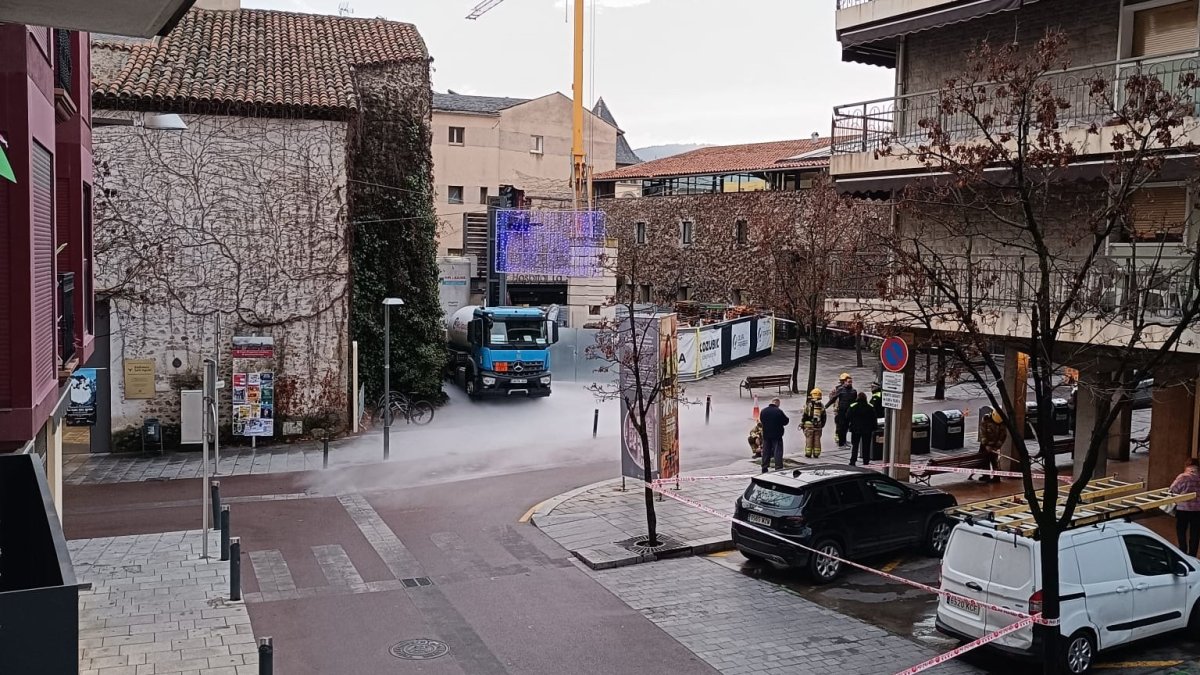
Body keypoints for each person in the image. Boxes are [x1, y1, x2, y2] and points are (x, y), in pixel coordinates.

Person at [1170, 459, 1200, 556]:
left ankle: (1183, 551)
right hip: (1197, 510)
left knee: (1181, 530)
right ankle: (1192, 554)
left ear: (1186, 466)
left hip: (1183, 509)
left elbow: (1173, 490)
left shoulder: (1182, 477)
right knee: (1195, 533)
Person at [758, 398, 789, 473]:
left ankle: (764, 467)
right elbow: (785, 421)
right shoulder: (778, 411)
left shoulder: (763, 411)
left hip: (766, 435)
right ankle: (778, 467)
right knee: (777, 452)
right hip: (777, 435)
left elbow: (761, 420)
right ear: (777, 403)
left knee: (766, 451)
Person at [826, 373, 857, 448]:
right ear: (844, 382)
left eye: (851, 382)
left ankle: (844, 441)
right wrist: (826, 406)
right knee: (841, 427)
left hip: (849, 411)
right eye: (848, 382)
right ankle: (841, 443)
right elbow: (833, 399)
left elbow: (855, 402)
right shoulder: (840, 389)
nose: (850, 383)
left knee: (846, 427)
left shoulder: (854, 391)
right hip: (841, 411)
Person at [976, 409, 1007, 483]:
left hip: (995, 445)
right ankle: (986, 475)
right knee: (984, 460)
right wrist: (986, 445)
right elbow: (983, 433)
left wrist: (997, 447)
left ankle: (996, 477)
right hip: (985, 445)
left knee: (994, 461)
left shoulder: (1002, 422)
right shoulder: (986, 419)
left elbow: (1003, 436)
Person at [848, 392, 876, 466]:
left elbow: (847, 416)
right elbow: (873, 418)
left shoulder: (853, 406)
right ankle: (866, 461)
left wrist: (850, 425)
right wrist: (874, 428)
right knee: (866, 445)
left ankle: (853, 461)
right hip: (867, 429)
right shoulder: (870, 406)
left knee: (855, 445)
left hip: (855, 429)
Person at [801, 389, 828, 459]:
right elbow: (824, 416)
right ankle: (816, 453)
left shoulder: (808, 405)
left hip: (809, 426)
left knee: (809, 439)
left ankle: (808, 453)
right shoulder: (821, 406)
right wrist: (822, 424)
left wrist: (802, 423)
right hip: (818, 426)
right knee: (817, 439)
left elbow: (805, 415)